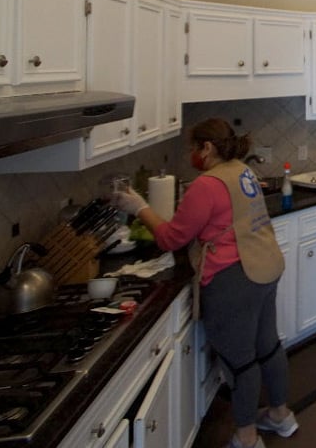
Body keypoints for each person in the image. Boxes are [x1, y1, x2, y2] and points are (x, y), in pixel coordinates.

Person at [113, 118, 298, 448]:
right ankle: (281, 415)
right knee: (268, 346)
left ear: (207, 148)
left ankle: (247, 437)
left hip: (234, 278)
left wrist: (139, 207)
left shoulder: (207, 185)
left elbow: (172, 238)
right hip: (265, 265)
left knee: (239, 361)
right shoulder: (242, 170)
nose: (190, 156)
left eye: (192, 148)